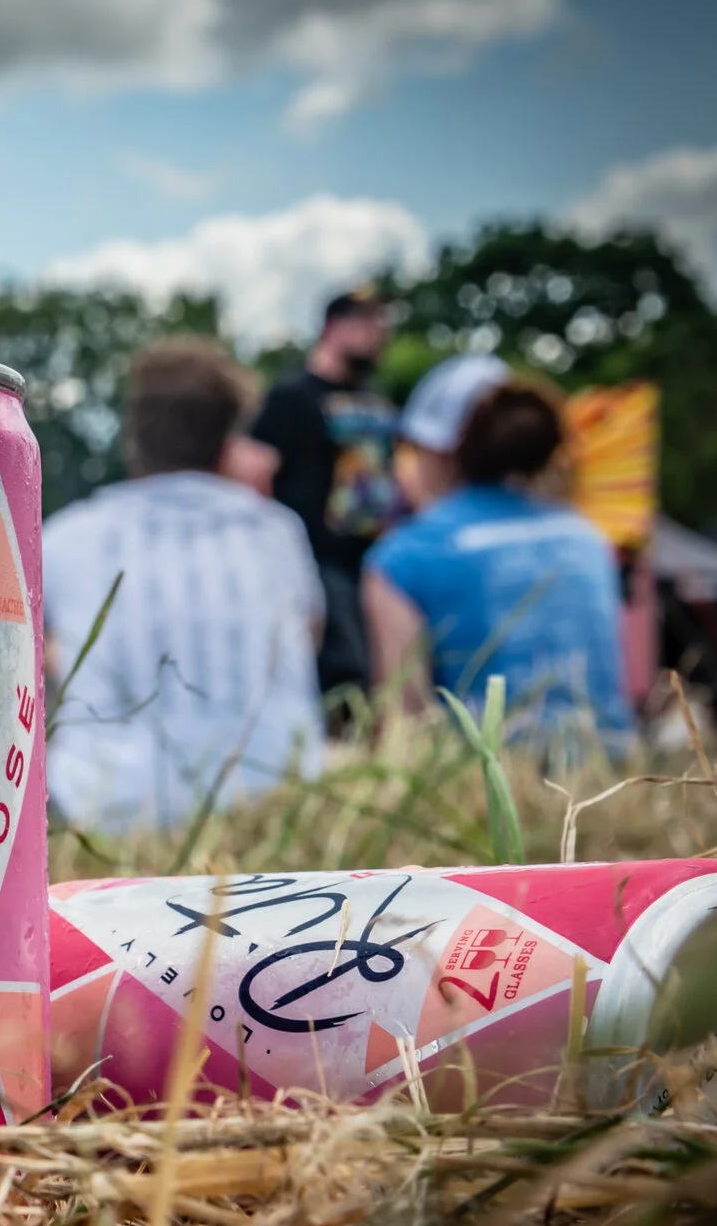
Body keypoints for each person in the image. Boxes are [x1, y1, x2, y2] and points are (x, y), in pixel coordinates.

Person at [42, 337, 326, 836]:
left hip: (106, 810)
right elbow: (310, 637)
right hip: (277, 797)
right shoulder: (277, 533)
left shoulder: (65, 537)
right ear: (227, 441)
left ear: (133, 435)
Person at [364, 372, 635, 754]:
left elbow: (404, 724)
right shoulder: (587, 539)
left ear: (437, 453)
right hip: (610, 776)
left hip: (484, 783)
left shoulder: (405, 556)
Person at [251, 288, 400, 697]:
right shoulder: (293, 395)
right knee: (346, 672)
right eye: (368, 324)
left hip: (375, 561)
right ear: (334, 326)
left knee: (385, 672)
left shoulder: (376, 399)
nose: (379, 335)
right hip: (319, 559)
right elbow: (257, 469)